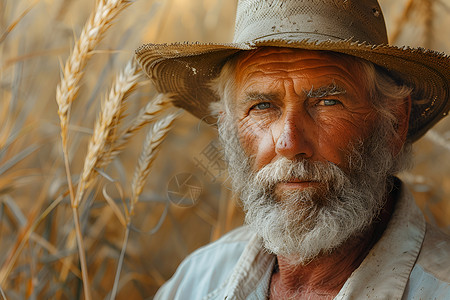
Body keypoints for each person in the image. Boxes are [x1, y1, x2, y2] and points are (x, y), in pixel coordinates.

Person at [136, 0, 450, 299]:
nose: (289, 144)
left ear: (395, 122)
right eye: (262, 106)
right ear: (228, 129)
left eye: (327, 102)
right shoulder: (198, 281)